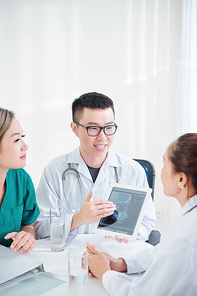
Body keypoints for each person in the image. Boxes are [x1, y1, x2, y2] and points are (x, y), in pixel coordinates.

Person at [35, 92, 156, 245]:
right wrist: (78, 219)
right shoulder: (54, 170)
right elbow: (40, 227)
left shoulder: (133, 170)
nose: (103, 137)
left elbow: (147, 221)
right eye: (93, 128)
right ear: (74, 128)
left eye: (109, 127)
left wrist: (135, 234)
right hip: (71, 254)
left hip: (117, 252)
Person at [87, 133, 197, 295]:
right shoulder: (188, 218)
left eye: (164, 163)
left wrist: (104, 272)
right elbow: (164, 253)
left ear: (181, 179)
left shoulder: (186, 236)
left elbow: (139, 293)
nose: (161, 171)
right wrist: (121, 263)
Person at [0, 108, 40, 254]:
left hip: (13, 267)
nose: (25, 146)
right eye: (17, 139)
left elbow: (28, 224)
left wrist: (27, 236)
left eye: (22, 136)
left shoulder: (21, 178)